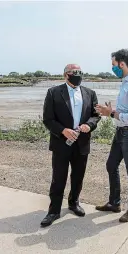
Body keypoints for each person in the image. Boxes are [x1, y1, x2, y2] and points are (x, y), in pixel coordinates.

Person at [41, 64, 101, 227]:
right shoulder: (53, 92)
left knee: (78, 176)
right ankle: (54, 211)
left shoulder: (90, 93)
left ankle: (74, 203)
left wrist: (89, 125)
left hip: (81, 142)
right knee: (58, 178)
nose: (78, 75)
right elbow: (47, 119)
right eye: (74, 73)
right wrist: (63, 131)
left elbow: (95, 116)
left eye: (80, 72)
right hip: (61, 142)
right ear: (65, 75)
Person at [95, 49, 128, 223]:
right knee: (111, 165)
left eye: (113, 65)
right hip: (121, 132)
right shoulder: (125, 82)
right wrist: (109, 112)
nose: (113, 68)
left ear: (122, 64)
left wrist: (111, 114)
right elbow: (125, 112)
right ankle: (114, 203)